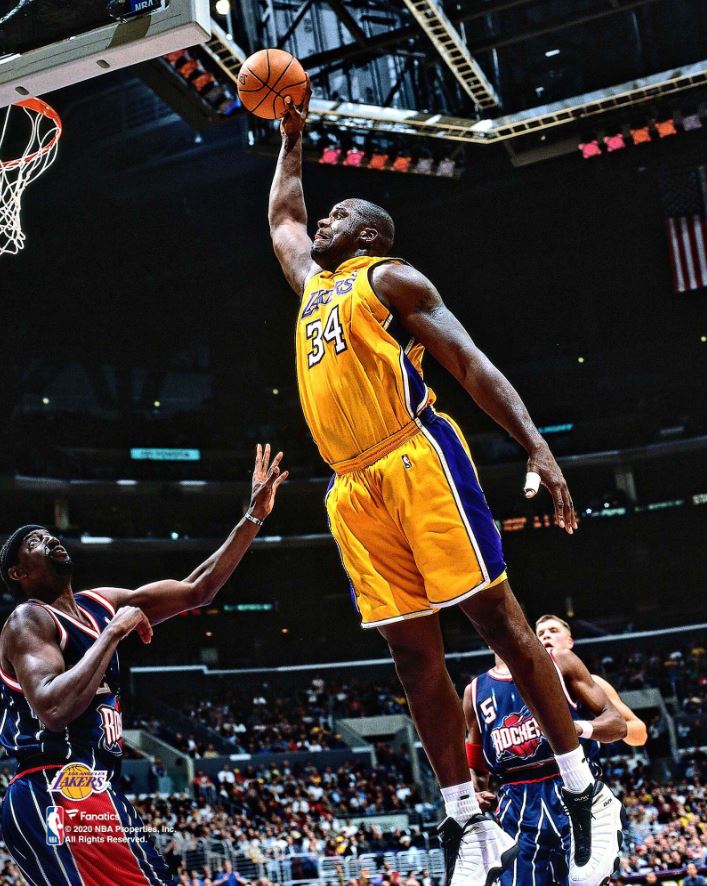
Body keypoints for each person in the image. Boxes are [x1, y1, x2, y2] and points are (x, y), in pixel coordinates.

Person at [267, 80, 624, 886]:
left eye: (338, 215)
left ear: (368, 233)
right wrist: (292, 138)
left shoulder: (388, 277)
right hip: (351, 485)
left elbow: (468, 362)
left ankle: (582, 787)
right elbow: (284, 218)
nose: (323, 222)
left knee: (497, 620)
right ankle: (467, 816)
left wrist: (535, 446)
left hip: (415, 455)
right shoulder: (313, 286)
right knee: (410, 654)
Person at [0, 445, 286, 886]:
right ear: (19, 573)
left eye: (49, 534)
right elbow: (53, 709)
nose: (49, 539)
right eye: (34, 542)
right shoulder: (29, 619)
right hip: (52, 788)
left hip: (97, 789)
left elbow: (197, 589)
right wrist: (113, 633)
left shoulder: (100, 603)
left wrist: (253, 516)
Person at [464, 650, 628, 885]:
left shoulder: (560, 661)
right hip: (516, 799)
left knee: (586, 880)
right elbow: (476, 768)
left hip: (570, 781)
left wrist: (577, 728)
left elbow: (618, 725)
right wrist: (474, 793)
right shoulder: (474, 691)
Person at [535, 614, 648, 746]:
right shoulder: (520, 683)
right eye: (540, 634)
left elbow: (640, 734)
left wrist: (585, 728)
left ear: (569, 642)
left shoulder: (592, 682)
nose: (546, 636)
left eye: (553, 631)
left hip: (580, 757)